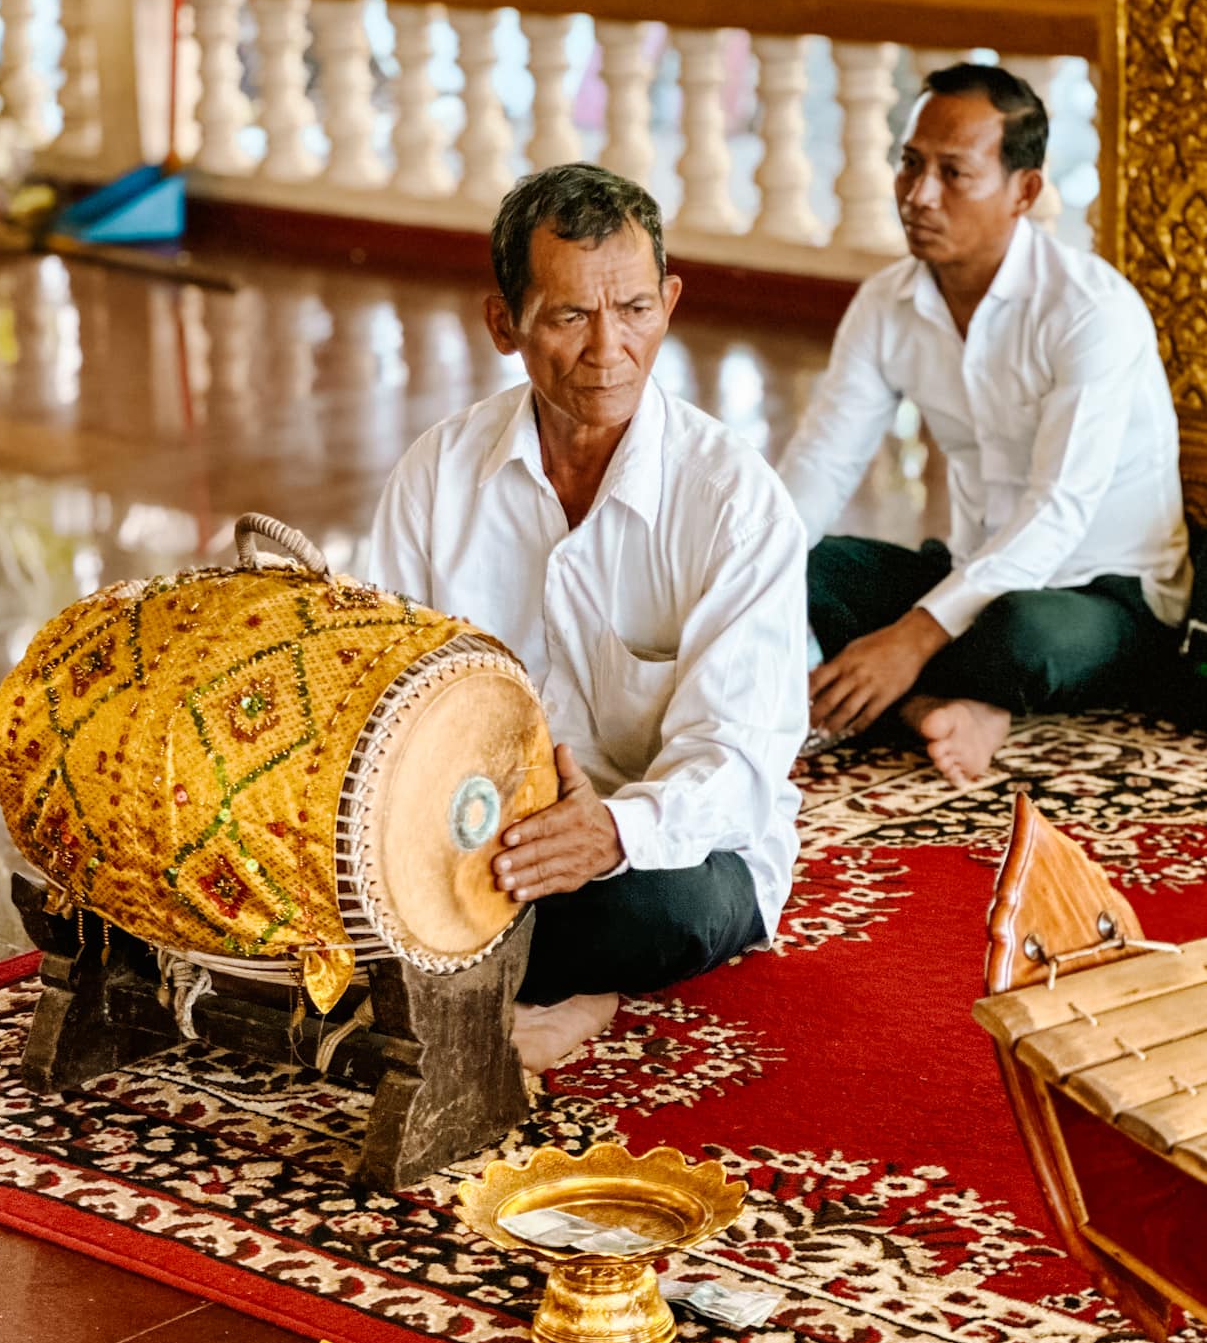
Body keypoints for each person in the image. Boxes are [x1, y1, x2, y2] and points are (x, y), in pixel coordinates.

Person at [367, 162, 806, 1071]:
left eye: (635, 310)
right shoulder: (437, 475)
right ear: (505, 324)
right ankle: (496, 957)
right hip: (483, 836)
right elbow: (385, 698)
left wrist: (611, 834)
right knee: (347, 874)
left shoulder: (733, 502)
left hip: (664, 854)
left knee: (667, 913)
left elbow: (737, 764)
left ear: (670, 302)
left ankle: (537, 977)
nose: (609, 348)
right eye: (570, 316)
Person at [779, 62, 1191, 786]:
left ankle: (951, 691)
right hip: (971, 575)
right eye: (910, 164)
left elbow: (1059, 512)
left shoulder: (1089, 310)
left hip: (1107, 593)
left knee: (1024, 637)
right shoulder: (887, 303)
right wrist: (750, 572)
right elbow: (821, 465)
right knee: (800, 565)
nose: (918, 195)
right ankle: (940, 705)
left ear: (1023, 191)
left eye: (953, 173)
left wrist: (911, 638)